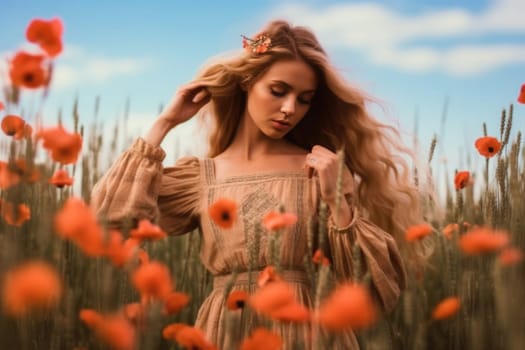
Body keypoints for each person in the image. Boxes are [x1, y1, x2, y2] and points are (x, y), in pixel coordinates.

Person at [91, 19, 422, 349]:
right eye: (278, 91)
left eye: (304, 99)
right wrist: (164, 123)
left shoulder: (319, 170)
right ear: (248, 81)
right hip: (227, 331)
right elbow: (110, 220)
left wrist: (338, 200)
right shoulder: (201, 178)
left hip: (306, 334)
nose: (290, 108)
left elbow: (377, 292)